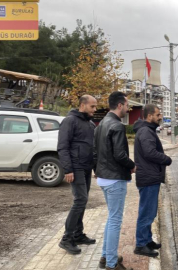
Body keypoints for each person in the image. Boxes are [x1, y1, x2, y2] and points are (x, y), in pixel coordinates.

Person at [94, 92, 135, 270]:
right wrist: (132, 165)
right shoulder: (117, 126)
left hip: (103, 178)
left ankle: (106, 257)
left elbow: (95, 153)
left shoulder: (101, 124)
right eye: (127, 105)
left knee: (111, 219)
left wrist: (98, 171)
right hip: (114, 179)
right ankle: (112, 264)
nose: (128, 108)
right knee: (115, 220)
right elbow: (120, 155)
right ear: (120, 105)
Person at [57, 95, 97, 254]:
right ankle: (66, 239)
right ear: (82, 105)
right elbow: (62, 147)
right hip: (76, 167)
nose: (95, 110)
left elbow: (93, 148)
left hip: (86, 167)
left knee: (83, 200)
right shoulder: (69, 121)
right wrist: (68, 169)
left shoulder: (90, 123)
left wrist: (95, 169)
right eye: (92, 106)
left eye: (95, 107)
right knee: (80, 199)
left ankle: (78, 234)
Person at [133, 104, 172, 257]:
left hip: (149, 176)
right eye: (157, 114)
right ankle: (141, 244)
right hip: (148, 177)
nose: (160, 117)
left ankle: (147, 240)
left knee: (149, 211)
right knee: (146, 213)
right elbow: (150, 153)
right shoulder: (145, 132)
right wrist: (166, 159)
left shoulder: (146, 130)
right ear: (149, 116)